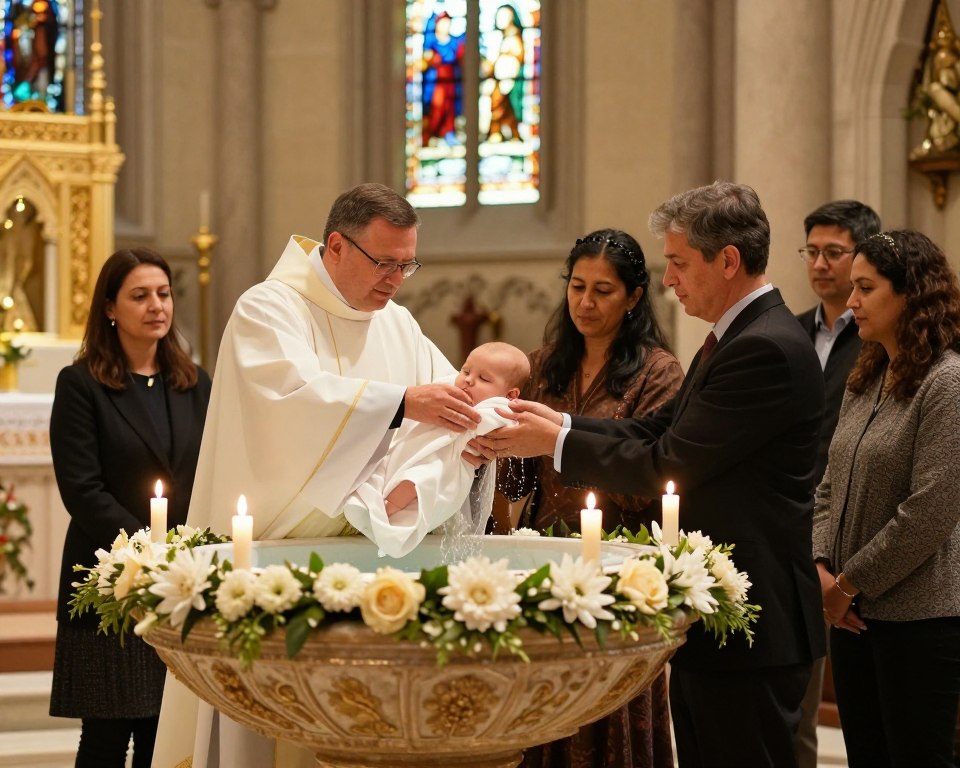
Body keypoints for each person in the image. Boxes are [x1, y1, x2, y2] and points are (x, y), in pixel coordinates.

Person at [481, 181, 826, 768]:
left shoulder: (763, 347)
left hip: (754, 625)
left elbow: (668, 462)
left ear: (729, 261)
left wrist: (556, 440)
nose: (669, 280)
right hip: (719, 617)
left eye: (679, 263)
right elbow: (653, 430)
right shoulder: (735, 337)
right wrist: (559, 424)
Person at [155, 182, 483, 768]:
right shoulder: (269, 308)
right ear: (336, 246)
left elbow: (448, 398)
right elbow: (291, 402)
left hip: (375, 569)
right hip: (276, 561)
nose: (396, 280)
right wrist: (404, 403)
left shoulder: (398, 323)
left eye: (408, 265)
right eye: (385, 263)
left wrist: (475, 430)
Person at [497, 228, 683, 767]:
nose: (585, 302)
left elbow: (646, 470)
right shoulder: (545, 364)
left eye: (603, 290)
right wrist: (492, 444)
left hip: (618, 572)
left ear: (633, 297)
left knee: (609, 719)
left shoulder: (658, 371)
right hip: (542, 567)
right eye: (577, 286)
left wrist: (559, 445)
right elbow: (517, 483)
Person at [48, 247, 211, 768]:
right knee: (107, 734)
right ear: (111, 308)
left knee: (164, 736)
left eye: (163, 294)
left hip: (181, 581)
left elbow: (209, 470)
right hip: (108, 580)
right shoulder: (81, 385)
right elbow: (83, 490)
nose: (156, 306)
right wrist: (147, 550)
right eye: (140, 296)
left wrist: (184, 552)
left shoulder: (193, 383)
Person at [813, 229, 960, 768]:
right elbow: (828, 484)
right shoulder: (868, 375)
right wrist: (824, 567)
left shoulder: (948, 382)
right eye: (853, 287)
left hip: (920, 621)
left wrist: (849, 584)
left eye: (866, 288)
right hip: (852, 616)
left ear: (910, 294)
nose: (850, 302)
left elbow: (930, 510)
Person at [792, 199, 880, 768]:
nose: (821, 265)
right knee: (794, 686)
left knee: (866, 703)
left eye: (834, 253)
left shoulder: (878, 338)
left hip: (855, 527)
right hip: (791, 517)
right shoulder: (792, 333)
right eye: (813, 252)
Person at [343, 341, 528, 558]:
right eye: (466, 371)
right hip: (422, 448)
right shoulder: (457, 388)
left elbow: (492, 423)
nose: (468, 380)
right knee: (391, 465)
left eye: (483, 379)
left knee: (421, 479)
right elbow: (440, 385)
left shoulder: (500, 409)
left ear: (510, 395)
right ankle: (376, 503)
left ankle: (386, 512)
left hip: (448, 462)